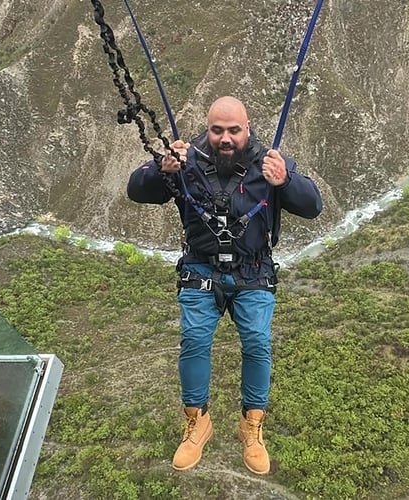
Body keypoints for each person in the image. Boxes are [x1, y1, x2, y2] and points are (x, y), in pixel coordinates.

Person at [127, 96, 323, 474]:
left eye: (234, 130)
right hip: (201, 268)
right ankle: (197, 421)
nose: (226, 138)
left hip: (253, 271)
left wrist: (286, 180)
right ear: (208, 128)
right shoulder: (186, 159)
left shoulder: (268, 162)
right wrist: (161, 169)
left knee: (256, 341)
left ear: (247, 128)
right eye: (218, 130)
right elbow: (137, 190)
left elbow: (312, 205)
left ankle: (252, 425)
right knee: (195, 339)